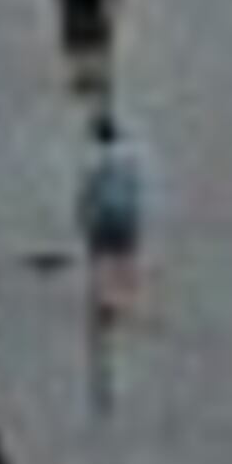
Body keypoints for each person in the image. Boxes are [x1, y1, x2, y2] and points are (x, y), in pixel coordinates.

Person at [76, 110, 149, 326]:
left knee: (101, 260)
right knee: (126, 259)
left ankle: (105, 301)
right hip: (127, 215)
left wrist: (83, 216)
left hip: (103, 216)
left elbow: (89, 193)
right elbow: (136, 189)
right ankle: (127, 299)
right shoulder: (132, 159)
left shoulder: (94, 160)